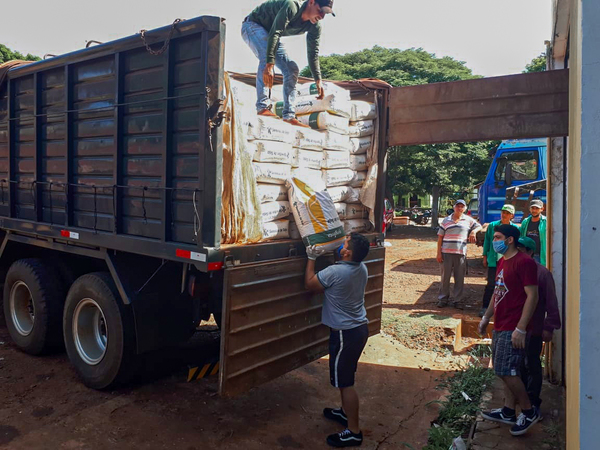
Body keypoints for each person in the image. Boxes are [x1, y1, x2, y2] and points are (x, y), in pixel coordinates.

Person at [305, 233, 371, 447]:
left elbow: (310, 284)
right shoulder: (362, 268)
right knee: (346, 375)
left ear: (347, 252)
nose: (341, 244)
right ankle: (344, 413)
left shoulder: (335, 272)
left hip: (345, 333)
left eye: (344, 243)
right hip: (358, 329)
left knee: (345, 383)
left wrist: (311, 258)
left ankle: (353, 431)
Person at [479, 224, 540, 436]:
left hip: (514, 327)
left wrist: (521, 328)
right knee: (504, 369)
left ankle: (528, 410)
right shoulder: (503, 261)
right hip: (501, 324)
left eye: (497, 237)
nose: (494, 241)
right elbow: (498, 292)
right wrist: (487, 317)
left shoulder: (525, 263)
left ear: (510, 239)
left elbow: (532, 296)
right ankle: (507, 410)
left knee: (507, 370)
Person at [242, 0, 335, 127]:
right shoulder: (292, 6)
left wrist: (318, 80)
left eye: (326, 14)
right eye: (321, 11)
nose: (322, 16)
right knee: (267, 57)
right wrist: (269, 65)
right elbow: (275, 33)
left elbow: (313, 53)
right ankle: (262, 107)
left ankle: (289, 115)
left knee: (292, 69)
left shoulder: (315, 26)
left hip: (270, 35)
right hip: (252, 25)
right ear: (311, 2)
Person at [516, 237, 562, 414]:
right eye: (516, 249)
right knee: (517, 365)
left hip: (533, 329)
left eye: (522, 250)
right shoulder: (514, 269)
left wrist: (549, 327)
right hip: (515, 327)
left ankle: (534, 403)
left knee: (532, 364)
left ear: (531, 253)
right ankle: (521, 401)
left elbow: (551, 302)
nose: (518, 253)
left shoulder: (542, 274)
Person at [436, 199, 482, 308]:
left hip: (460, 253)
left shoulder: (468, 220)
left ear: (465, 208)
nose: (459, 208)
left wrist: (473, 231)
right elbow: (440, 238)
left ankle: (457, 300)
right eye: (458, 206)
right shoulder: (446, 220)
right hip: (446, 253)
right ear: (454, 207)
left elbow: (479, 226)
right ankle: (443, 299)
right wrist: (439, 253)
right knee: (445, 278)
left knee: (459, 278)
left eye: (462, 206)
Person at [480, 204, 516, 317]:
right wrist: (485, 256)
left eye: (507, 213)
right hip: (494, 260)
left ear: (512, 215)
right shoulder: (493, 226)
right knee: (491, 283)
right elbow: (487, 241)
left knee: (507, 284)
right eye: (503, 212)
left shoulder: (515, 228)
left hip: (508, 261)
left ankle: (504, 308)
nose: (504, 215)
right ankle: (485, 307)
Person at [519, 199, 547, 265]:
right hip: (527, 255)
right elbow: (521, 237)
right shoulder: (525, 222)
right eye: (532, 208)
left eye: (537, 208)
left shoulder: (546, 222)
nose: (534, 210)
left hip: (540, 255)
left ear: (542, 209)